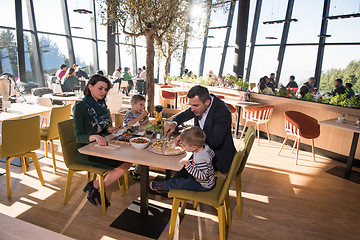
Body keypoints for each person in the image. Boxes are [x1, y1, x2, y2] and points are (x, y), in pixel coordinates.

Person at [73, 74, 132, 207]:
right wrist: (95, 136)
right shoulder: (80, 107)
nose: (103, 92)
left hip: (100, 146)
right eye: (100, 88)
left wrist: (108, 130)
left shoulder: (102, 105)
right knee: (122, 167)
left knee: (129, 161)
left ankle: (95, 186)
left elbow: (102, 129)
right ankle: (97, 187)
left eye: (105, 89)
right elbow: (79, 136)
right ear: (90, 87)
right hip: (85, 151)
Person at [165, 85, 235, 173]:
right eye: (191, 105)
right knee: (177, 162)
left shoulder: (222, 113)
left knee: (180, 166)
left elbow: (215, 141)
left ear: (207, 102)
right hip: (201, 152)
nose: (192, 109)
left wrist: (188, 137)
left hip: (217, 158)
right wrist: (173, 123)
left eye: (195, 106)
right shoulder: (201, 104)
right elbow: (187, 113)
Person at [150, 127, 215, 192]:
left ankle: (165, 185)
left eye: (184, 145)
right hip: (200, 177)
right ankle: (172, 183)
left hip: (203, 185)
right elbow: (212, 154)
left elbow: (203, 176)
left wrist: (188, 165)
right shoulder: (205, 147)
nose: (182, 146)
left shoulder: (200, 158)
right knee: (181, 171)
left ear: (193, 147)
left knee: (181, 183)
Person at [124, 94, 150, 180]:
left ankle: (138, 171)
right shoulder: (129, 114)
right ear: (133, 105)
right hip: (128, 138)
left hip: (138, 136)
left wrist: (145, 118)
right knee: (143, 154)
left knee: (146, 152)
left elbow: (146, 121)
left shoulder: (139, 114)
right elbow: (130, 124)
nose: (142, 107)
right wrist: (141, 117)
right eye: (141, 105)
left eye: (144, 105)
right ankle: (136, 172)